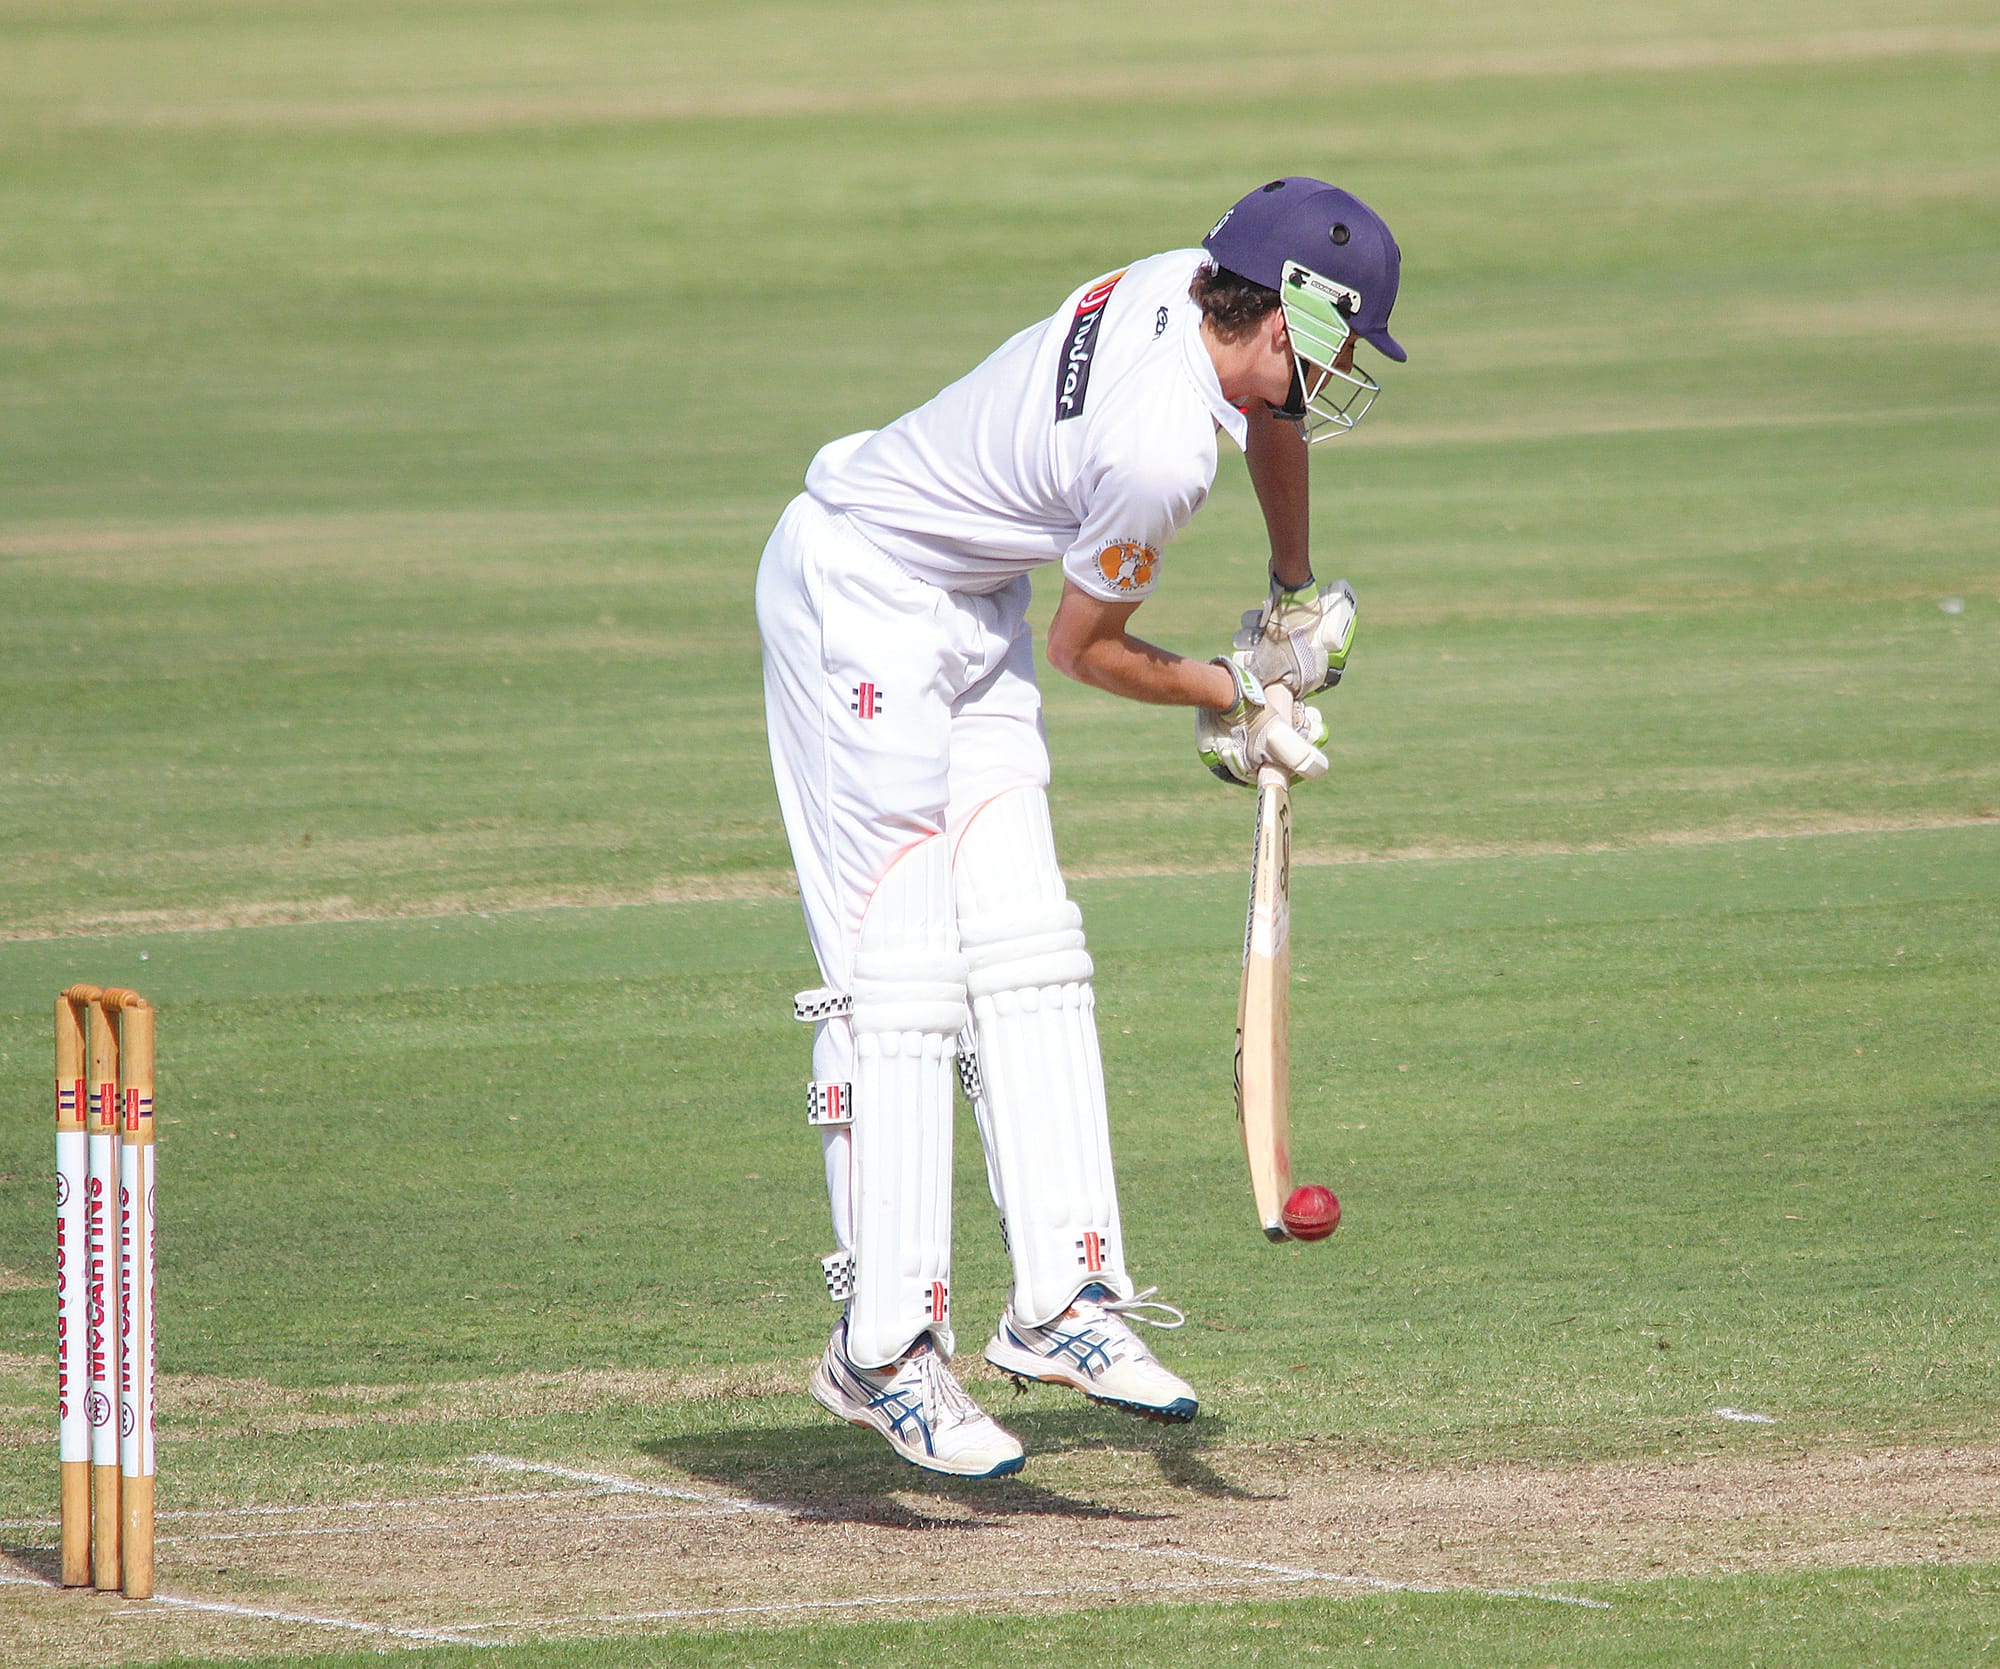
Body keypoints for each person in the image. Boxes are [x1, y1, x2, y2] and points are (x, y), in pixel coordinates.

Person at [755, 177, 1406, 1477]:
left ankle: (1066, 1301)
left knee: (1032, 949)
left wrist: (1287, 593)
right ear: (1282, 316)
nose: (1336, 374)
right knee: (902, 979)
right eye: (1334, 345)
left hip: (971, 598)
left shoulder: (1189, 277)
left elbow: (1262, 414)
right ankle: (883, 1345)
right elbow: (1090, 649)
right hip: (861, 590)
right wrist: (1238, 699)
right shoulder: (1157, 453)